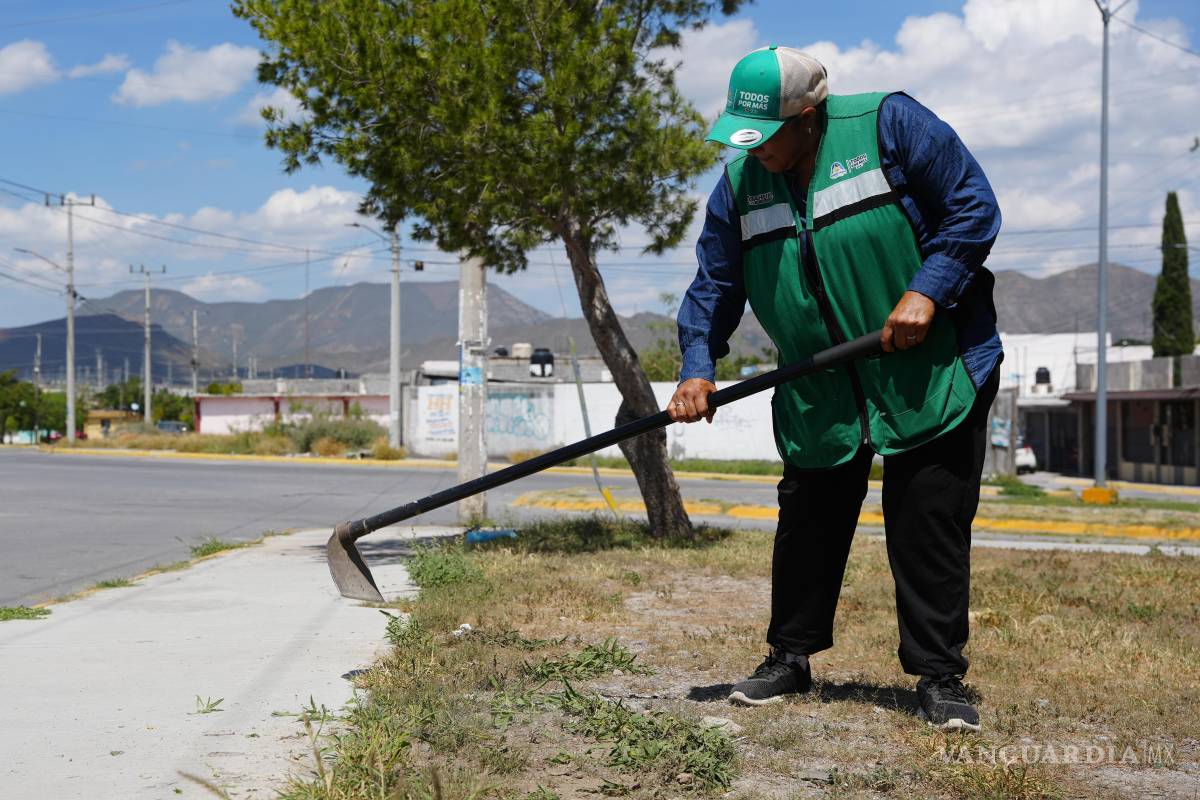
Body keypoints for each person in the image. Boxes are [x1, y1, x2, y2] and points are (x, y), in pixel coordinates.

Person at [668, 46, 1002, 732]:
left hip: (926, 371)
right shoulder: (739, 186)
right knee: (808, 521)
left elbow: (972, 209)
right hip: (819, 383)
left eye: (766, 135)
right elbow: (715, 287)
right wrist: (697, 366)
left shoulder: (890, 125)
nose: (753, 149)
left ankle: (939, 677)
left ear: (810, 116)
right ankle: (789, 658)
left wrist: (926, 291)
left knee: (926, 523)